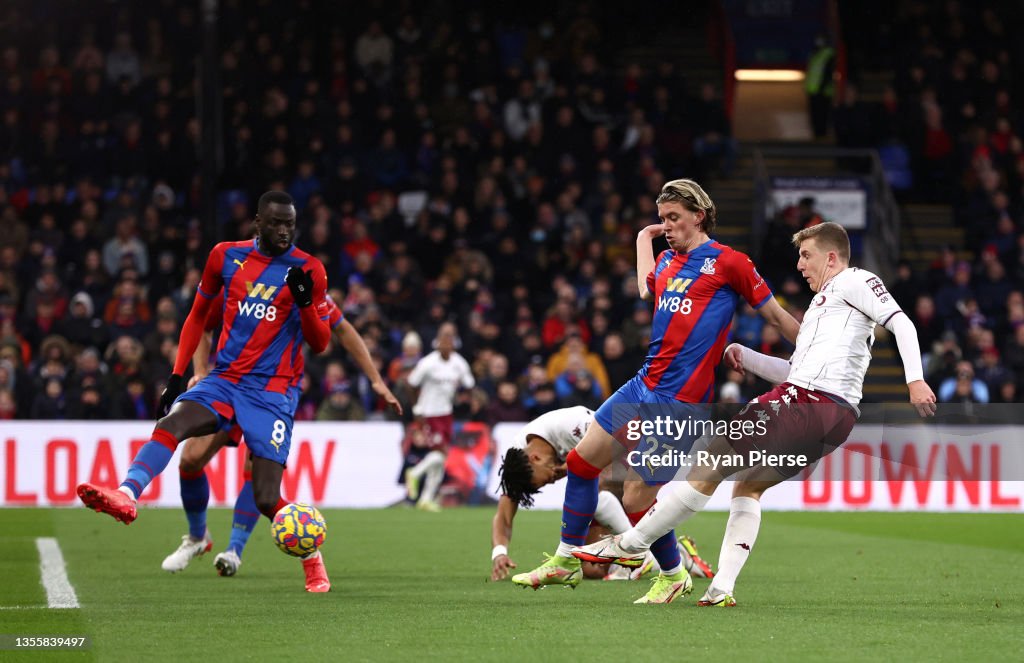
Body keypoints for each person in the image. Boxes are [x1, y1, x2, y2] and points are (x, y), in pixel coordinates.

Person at [572, 222, 937, 607]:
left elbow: (902, 322)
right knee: (748, 486)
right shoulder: (821, 308)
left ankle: (632, 544)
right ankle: (721, 588)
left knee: (711, 457)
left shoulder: (855, 280)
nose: (799, 265)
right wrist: (747, 356)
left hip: (808, 404)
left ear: (832, 257)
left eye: (806, 255)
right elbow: (797, 371)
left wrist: (915, 379)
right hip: (832, 419)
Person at [511, 179, 800, 603]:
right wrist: (643, 237)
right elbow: (647, 286)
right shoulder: (667, 261)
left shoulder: (729, 263)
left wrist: (817, 356)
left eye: (673, 218)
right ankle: (566, 558)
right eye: (662, 218)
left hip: (680, 404)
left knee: (634, 499)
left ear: (698, 217)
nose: (666, 225)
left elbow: (775, 316)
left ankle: (672, 574)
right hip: (642, 383)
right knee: (581, 461)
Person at [76, 191, 338, 592]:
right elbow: (199, 315)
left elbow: (320, 343)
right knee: (173, 425)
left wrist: (304, 303)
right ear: (258, 222)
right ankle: (127, 494)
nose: (284, 230)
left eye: (290, 223)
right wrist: (179, 376)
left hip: (271, 393)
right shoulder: (225, 257)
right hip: (226, 378)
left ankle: (312, 557)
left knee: (268, 497)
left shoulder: (308, 269)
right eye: (276, 223)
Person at [161, 291, 402, 577]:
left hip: (274, 394)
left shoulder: (301, 284)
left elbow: (343, 329)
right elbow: (203, 322)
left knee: (258, 471)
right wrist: (200, 370)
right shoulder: (236, 275)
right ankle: (198, 537)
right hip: (230, 384)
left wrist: (375, 379)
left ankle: (236, 550)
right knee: (190, 460)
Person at [492, 405, 714, 585]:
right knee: (591, 569)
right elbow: (504, 512)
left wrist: (573, 469)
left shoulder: (572, 424)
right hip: (599, 494)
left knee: (602, 486)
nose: (552, 479)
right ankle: (677, 554)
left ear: (535, 459)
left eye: (548, 477)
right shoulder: (516, 460)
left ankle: (642, 552)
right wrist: (499, 552)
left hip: (634, 454)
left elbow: (613, 457)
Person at [403, 321, 475, 511]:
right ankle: (415, 473)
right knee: (440, 453)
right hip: (428, 413)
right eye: (443, 340)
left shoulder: (458, 363)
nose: (447, 344)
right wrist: (416, 409)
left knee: (441, 458)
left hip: (446, 413)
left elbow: (469, 383)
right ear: (437, 343)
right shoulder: (428, 363)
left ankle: (426, 498)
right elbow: (411, 383)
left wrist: (465, 396)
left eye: (450, 340)